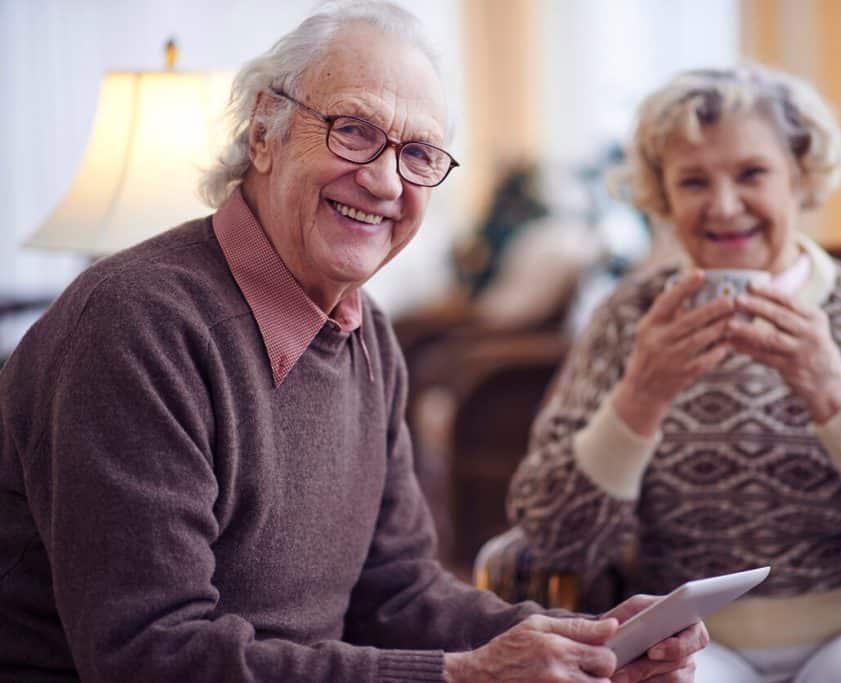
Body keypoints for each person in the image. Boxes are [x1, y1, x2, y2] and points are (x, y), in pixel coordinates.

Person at [0, 3, 708, 681]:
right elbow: (150, 656)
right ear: (262, 133)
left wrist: (588, 641)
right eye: (352, 130)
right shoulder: (136, 328)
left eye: (419, 153)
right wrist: (464, 675)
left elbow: (395, 591)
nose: (383, 181)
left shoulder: (366, 334)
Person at [507, 65, 841, 683]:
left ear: (800, 176)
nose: (723, 206)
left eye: (751, 173)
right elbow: (555, 538)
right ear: (664, 198)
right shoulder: (626, 320)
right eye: (693, 181)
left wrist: (833, 389)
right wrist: (640, 397)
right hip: (693, 640)